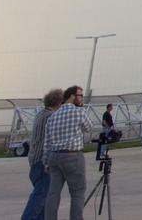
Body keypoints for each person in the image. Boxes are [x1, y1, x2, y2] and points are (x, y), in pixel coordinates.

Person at [43, 84, 90, 220]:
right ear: (72, 96)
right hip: (72, 156)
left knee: (53, 193)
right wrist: (81, 109)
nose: (82, 98)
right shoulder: (78, 112)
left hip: (54, 156)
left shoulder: (52, 117)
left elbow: (47, 142)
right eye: (80, 95)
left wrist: (46, 162)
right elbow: (88, 127)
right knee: (77, 192)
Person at [21, 88, 63, 220]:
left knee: (45, 199)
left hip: (34, 160)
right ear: (59, 103)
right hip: (43, 162)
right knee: (41, 195)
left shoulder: (40, 114)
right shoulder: (52, 117)